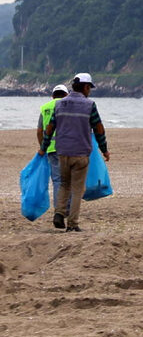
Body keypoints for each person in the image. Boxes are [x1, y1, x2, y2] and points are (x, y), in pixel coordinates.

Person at [38, 73, 109, 232]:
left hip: (62, 152)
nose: (89, 90)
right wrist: (104, 149)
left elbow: (49, 129)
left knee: (64, 184)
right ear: (85, 87)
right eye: (89, 87)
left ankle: (59, 213)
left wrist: (44, 147)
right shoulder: (89, 105)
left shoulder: (59, 104)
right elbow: (98, 128)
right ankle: (72, 223)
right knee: (77, 189)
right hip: (81, 153)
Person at [36, 84, 69, 219]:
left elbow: (39, 131)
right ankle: (67, 208)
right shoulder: (68, 106)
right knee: (69, 179)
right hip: (68, 147)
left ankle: (58, 210)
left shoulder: (45, 108)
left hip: (51, 149)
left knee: (57, 180)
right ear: (66, 95)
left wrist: (43, 147)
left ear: (52, 96)